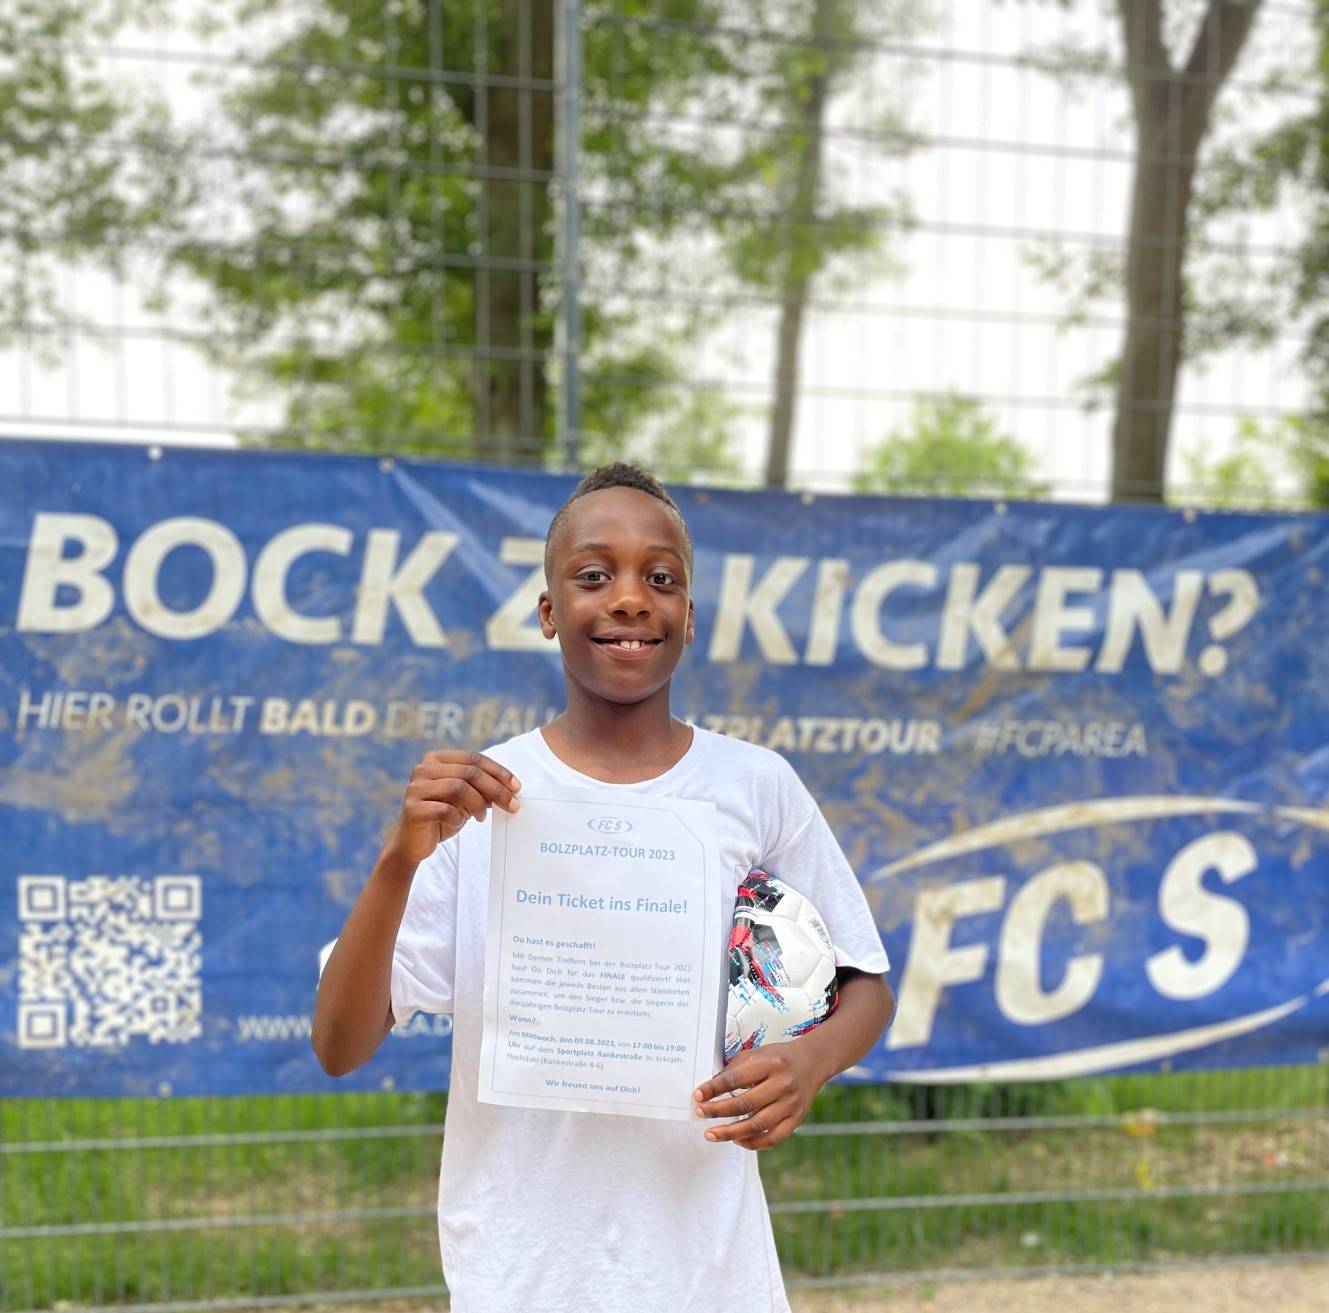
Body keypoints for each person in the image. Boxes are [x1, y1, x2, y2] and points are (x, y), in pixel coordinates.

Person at [312, 463, 894, 1313]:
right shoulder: (484, 797)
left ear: (688, 619)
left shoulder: (754, 786)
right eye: (594, 575)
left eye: (660, 578)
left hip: (710, 1275)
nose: (629, 598)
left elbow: (865, 986)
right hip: (520, 1274)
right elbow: (338, 1043)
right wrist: (397, 862)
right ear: (549, 611)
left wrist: (809, 1061)